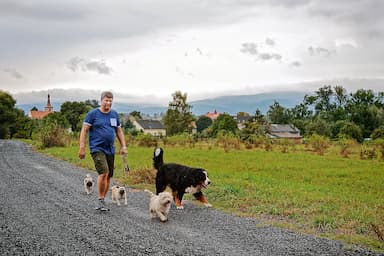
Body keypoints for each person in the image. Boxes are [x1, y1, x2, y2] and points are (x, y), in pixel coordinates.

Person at [79, 91, 127, 211]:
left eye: (110, 100)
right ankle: (100, 200)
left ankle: (103, 199)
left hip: (110, 149)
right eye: (106, 100)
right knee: (104, 173)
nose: (108, 102)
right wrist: (82, 147)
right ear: (101, 100)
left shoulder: (114, 114)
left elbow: (119, 131)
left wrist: (123, 146)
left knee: (109, 175)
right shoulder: (93, 114)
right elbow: (84, 130)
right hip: (97, 148)